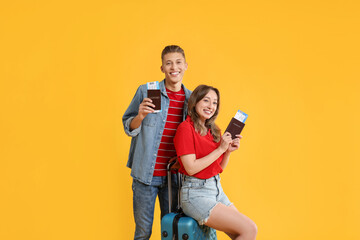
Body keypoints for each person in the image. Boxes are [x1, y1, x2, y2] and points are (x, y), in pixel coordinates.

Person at [122, 45, 192, 240]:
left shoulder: (192, 98)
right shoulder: (146, 91)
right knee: (143, 233)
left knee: (171, 232)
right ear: (162, 67)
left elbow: (197, 135)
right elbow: (128, 126)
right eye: (168, 63)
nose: (173, 67)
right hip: (145, 174)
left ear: (186, 66)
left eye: (178, 62)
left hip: (174, 177)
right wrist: (141, 115)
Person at [173, 85, 258, 240]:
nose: (210, 106)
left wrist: (227, 152)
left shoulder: (214, 130)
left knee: (244, 233)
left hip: (216, 189)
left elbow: (218, 169)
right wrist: (220, 150)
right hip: (195, 194)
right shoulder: (185, 129)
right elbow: (191, 168)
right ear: (195, 102)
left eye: (214, 103)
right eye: (206, 100)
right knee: (250, 229)